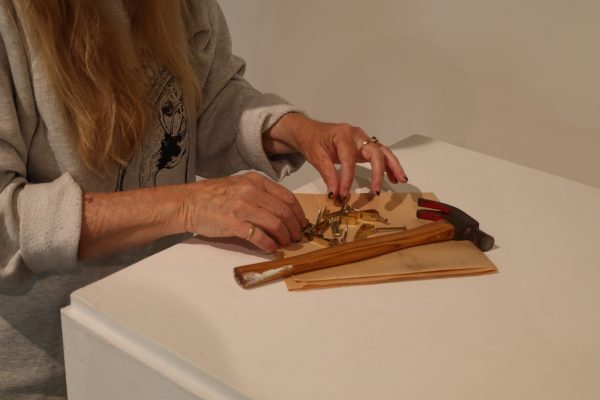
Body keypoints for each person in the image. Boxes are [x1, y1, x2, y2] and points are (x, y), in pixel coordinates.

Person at [0, 0, 407, 398]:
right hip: (47, 371)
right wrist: (188, 204)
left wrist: (298, 130)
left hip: (161, 338)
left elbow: (205, 100)